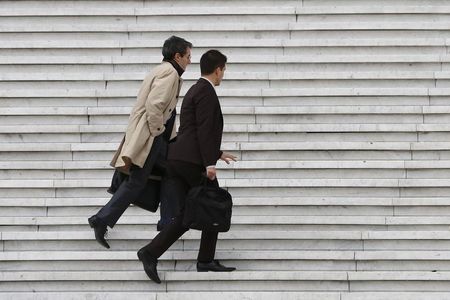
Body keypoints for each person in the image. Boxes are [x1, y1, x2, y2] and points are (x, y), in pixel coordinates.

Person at [136, 50, 237, 284]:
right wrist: (209, 163)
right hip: (193, 163)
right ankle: (204, 260)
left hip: (181, 159)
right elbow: (203, 129)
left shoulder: (195, 89)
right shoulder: (206, 92)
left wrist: (217, 153)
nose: (223, 76)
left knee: (186, 215)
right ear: (218, 69)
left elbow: (192, 130)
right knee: (214, 203)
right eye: (224, 71)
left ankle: (151, 252)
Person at [88, 36, 192, 249]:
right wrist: (158, 131)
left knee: (167, 172)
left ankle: (166, 222)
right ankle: (103, 219)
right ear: (177, 56)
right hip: (152, 137)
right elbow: (155, 105)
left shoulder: (162, 70)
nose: (190, 61)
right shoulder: (170, 73)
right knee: (139, 180)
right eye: (188, 56)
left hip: (155, 136)